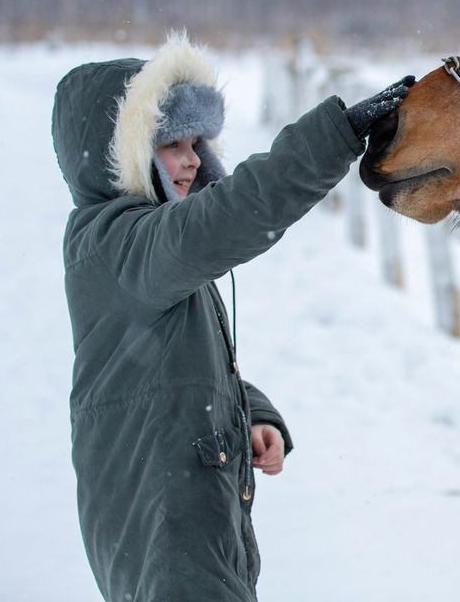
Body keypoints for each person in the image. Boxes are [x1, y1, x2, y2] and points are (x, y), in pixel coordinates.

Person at [51, 32, 412, 601]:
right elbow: (229, 217)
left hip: (190, 513)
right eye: (172, 145)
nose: (192, 159)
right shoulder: (120, 244)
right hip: (166, 527)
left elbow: (179, 372)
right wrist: (334, 137)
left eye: (197, 142)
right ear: (123, 153)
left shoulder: (143, 247)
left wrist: (252, 415)